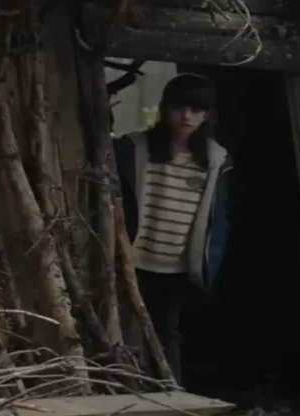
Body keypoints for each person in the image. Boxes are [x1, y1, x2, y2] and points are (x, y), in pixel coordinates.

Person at [112, 73, 234, 384]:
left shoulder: (214, 161)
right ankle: (126, 387)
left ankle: (169, 390)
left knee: (167, 332)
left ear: (207, 114)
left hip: (177, 267)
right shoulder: (134, 149)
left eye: (196, 110)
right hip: (134, 261)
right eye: (179, 108)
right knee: (124, 330)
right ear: (165, 109)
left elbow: (218, 219)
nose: (186, 117)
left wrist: (207, 264)